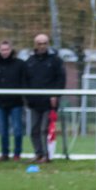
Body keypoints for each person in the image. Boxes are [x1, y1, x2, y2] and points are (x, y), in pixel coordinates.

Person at [24, 33, 66, 163]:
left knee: (44, 129)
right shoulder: (30, 62)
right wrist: (27, 98)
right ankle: (38, 153)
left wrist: (55, 95)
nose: (42, 46)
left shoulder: (55, 61)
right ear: (35, 45)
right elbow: (25, 81)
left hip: (49, 102)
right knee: (34, 130)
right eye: (39, 43)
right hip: (34, 102)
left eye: (44, 43)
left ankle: (47, 156)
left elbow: (61, 79)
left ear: (48, 44)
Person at [0, 39, 27, 161]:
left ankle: (17, 154)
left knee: (17, 130)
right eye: (2, 49)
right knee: (3, 131)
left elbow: (24, 82)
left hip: (16, 103)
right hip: (0, 103)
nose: (5, 52)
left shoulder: (20, 64)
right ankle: (4, 153)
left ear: (11, 50)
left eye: (7, 49)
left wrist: (25, 99)